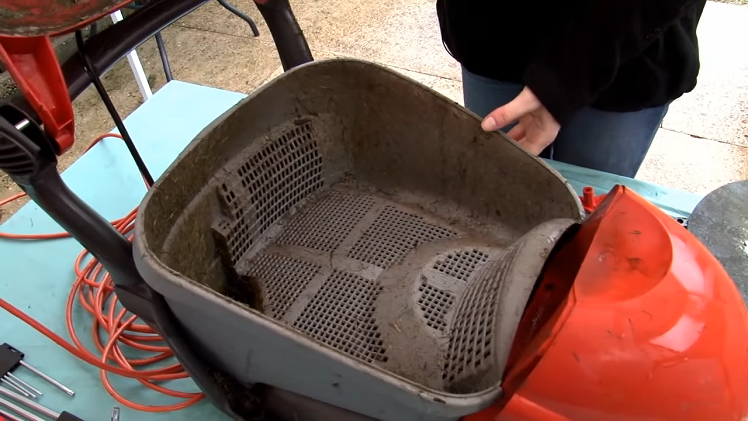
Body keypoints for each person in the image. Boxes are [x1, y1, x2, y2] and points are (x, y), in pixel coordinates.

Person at [436, 0, 707, 177]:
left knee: (588, 216)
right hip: (490, 37)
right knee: (495, 186)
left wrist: (565, 78)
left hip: (625, 54)